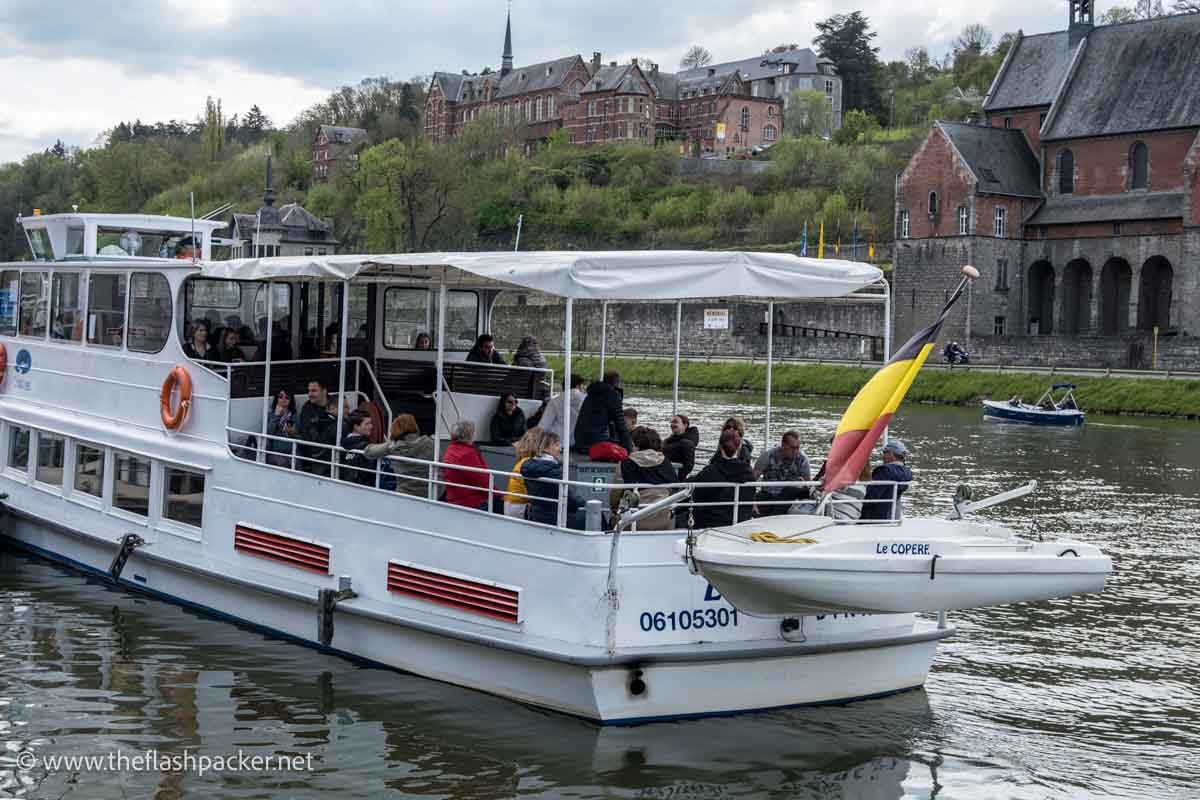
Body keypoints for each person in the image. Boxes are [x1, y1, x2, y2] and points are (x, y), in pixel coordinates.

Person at [611, 427, 679, 530]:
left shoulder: (624, 464)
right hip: (663, 521)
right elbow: (675, 490)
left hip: (634, 521)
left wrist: (614, 510)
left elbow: (615, 494)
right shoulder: (666, 463)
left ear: (636, 446)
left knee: (612, 520)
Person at [690, 429, 755, 528]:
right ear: (739, 448)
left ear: (720, 447)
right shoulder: (748, 473)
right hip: (741, 521)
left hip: (711, 522)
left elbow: (695, 492)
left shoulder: (710, 471)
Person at [521, 430, 585, 528]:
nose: (560, 449)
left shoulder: (529, 466)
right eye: (556, 445)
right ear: (545, 448)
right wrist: (585, 504)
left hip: (537, 514)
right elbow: (570, 499)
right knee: (594, 514)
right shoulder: (551, 470)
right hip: (555, 517)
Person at [364, 413, 435, 497]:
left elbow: (368, 451)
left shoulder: (395, 446)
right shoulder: (429, 443)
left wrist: (389, 445)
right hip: (430, 493)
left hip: (404, 493)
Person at [574, 370, 633, 458]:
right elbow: (621, 425)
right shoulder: (612, 396)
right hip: (595, 443)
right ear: (617, 383)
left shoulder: (591, 394)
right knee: (621, 444)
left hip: (580, 441)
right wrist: (630, 450)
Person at [753, 430, 812, 515]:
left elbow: (808, 483)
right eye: (792, 448)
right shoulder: (768, 456)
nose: (795, 451)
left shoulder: (802, 459)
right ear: (783, 445)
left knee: (789, 491)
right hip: (768, 495)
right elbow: (753, 479)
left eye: (798, 447)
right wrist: (753, 501)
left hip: (791, 498)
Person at [441, 420, 491, 510]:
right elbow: (482, 480)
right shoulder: (467, 454)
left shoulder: (450, 449)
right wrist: (499, 495)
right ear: (469, 435)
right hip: (471, 503)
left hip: (454, 499)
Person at [860, 440, 913, 522]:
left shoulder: (884, 471)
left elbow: (871, 496)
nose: (883, 456)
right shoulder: (907, 473)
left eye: (884, 452)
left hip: (873, 517)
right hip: (891, 515)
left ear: (891, 454)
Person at [296, 379, 339, 476]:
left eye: (314, 391)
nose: (310, 394)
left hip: (337, 449)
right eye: (309, 391)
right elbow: (307, 434)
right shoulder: (307, 407)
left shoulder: (336, 402)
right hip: (317, 454)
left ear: (324, 391)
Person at [502, 427, 542, 517]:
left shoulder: (523, 460)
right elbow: (531, 492)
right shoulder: (528, 463)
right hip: (518, 506)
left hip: (512, 504)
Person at [539, 374, 587, 448]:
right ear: (578, 386)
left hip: (558, 442)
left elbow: (544, 424)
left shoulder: (555, 401)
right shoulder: (586, 400)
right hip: (580, 443)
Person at [339, 411, 377, 486]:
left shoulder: (344, 442)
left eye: (370, 423)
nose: (371, 426)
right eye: (367, 424)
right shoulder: (364, 445)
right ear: (356, 427)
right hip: (363, 488)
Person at [265, 390, 296, 468]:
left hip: (291, 451)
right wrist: (276, 416)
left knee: (296, 464)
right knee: (282, 463)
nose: (284, 399)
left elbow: (299, 437)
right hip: (274, 451)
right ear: (276, 399)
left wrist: (292, 433)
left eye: (287, 397)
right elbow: (268, 433)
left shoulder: (294, 416)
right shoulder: (270, 416)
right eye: (281, 396)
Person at [663, 414, 699, 480]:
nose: (672, 424)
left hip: (674, 478)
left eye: (675, 422)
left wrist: (675, 475)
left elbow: (688, 466)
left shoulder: (687, 443)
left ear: (685, 425)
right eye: (671, 422)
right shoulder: (669, 440)